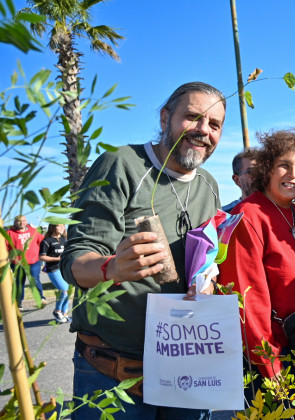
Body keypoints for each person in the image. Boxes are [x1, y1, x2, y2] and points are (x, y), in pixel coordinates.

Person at [61, 81, 226, 420]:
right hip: (114, 376)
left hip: (186, 366)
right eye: (192, 117)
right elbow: (75, 260)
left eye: (214, 124)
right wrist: (112, 268)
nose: (202, 130)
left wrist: (207, 279)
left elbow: (207, 254)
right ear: (165, 117)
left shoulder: (209, 184)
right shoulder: (121, 164)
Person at [218, 128, 295, 399]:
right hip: (268, 359)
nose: (293, 174)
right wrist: (270, 367)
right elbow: (245, 299)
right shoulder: (249, 215)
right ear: (267, 169)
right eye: (284, 166)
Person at [7, 215, 45, 306]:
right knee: (19, 283)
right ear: (15, 222)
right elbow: (4, 247)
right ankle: (19, 302)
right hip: (17, 263)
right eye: (19, 221)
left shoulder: (33, 231)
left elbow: (43, 242)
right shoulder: (9, 233)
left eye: (23, 220)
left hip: (34, 262)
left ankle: (41, 298)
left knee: (35, 280)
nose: (22, 223)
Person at [40, 223, 69, 323]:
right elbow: (42, 257)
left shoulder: (64, 239)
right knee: (63, 290)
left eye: (63, 226)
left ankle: (64, 314)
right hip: (53, 269)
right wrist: (57, 258)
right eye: (59, 225)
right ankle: (57, 311)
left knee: (67, 291)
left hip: (64, 268)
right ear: (52, 227)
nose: (62, 227)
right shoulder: (46, 241)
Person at [222, 147, 259, 212]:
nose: (260, 175)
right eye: (252, 171)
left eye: (264, 171)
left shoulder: (280, 211)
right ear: (237, 180)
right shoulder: (224, 217)